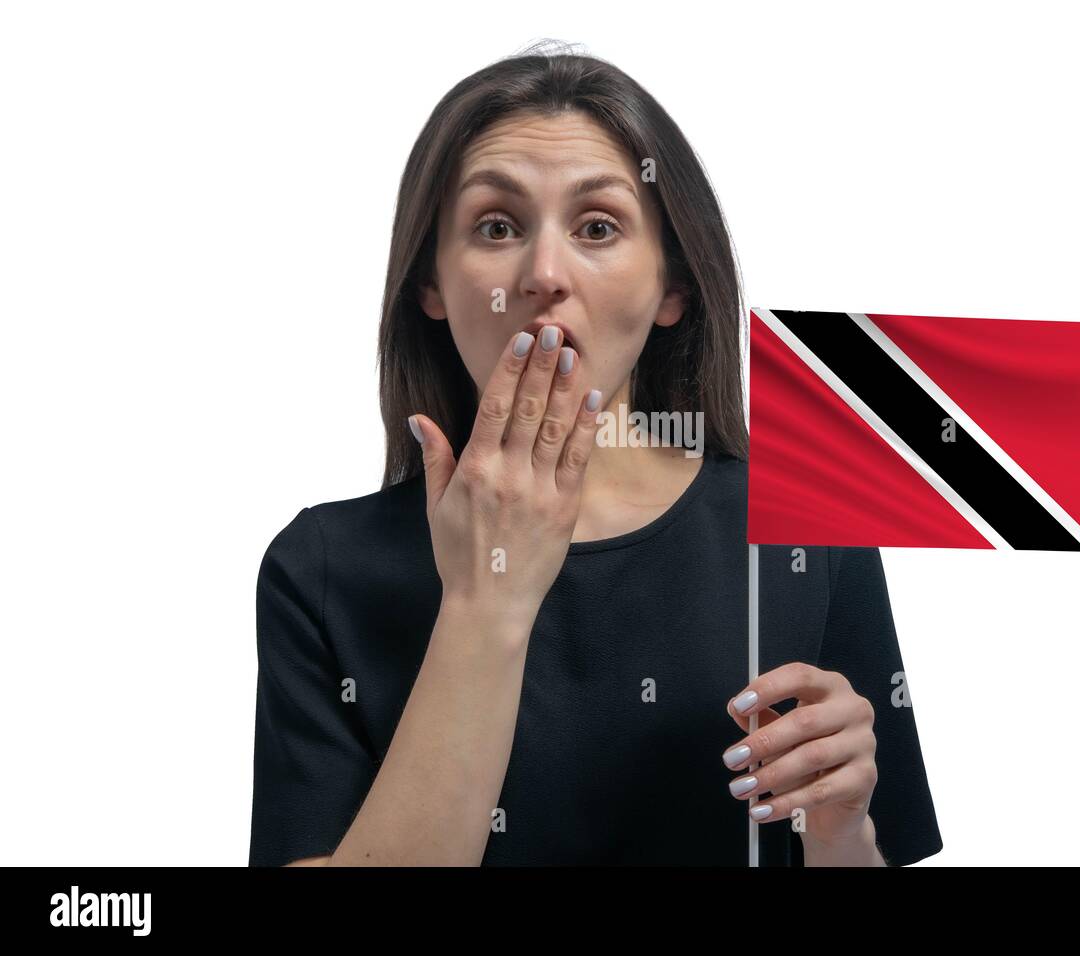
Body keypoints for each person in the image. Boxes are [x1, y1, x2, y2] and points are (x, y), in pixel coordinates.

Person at [248, 42, 943, 867]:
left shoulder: (805, 526)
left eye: (598, 227)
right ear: (430, 283)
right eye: (496, 226)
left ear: (672, 289)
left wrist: (841, 830)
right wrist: (486, 602)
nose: (543, 274)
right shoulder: (322, 568)